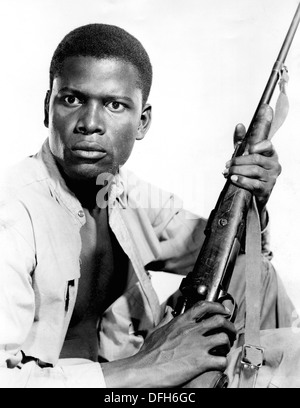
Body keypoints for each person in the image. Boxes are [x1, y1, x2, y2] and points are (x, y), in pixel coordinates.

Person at [0, 23, 295, 388]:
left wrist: (252, 198)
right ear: (48, 107)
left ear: (142, 121)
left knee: (256, 274)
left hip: (125, 369)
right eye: (72, 99)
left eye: (114, 105)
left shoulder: (126, 194)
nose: (90, 124)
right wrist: (150, 365)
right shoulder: (11, 215)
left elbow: (221, 251)